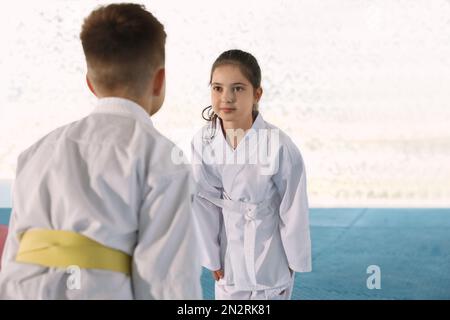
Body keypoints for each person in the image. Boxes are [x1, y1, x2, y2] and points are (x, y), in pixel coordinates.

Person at [0, 3, 202, 300]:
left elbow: (13, 258)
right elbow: (169, 283)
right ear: (159, 80)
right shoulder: (162, 160)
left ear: (90, 83)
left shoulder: (35, 154)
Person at [191, 49, 311, 300]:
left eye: (238, 88)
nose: (226, 97)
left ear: (257, 93)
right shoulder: (204, 141)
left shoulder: (279, 146)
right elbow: (202, 202)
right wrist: (211, 257)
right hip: (229, 257)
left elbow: (293, 207)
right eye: (217, 88)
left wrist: (293, 260)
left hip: (270, 254)